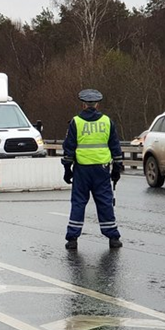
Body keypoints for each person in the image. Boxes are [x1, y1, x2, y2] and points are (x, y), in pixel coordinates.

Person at [62, 89, 124, 250]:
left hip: (82, 169)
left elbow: (69, 148)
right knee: (105, 202)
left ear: (83, 104)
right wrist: (117, 167)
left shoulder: (76, 122)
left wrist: (67, 169)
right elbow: (115, 146)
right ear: (97, 104)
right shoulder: (107, 122)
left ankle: (72, 238)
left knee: (78, 203)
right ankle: (113, 237)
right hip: (101, 169)